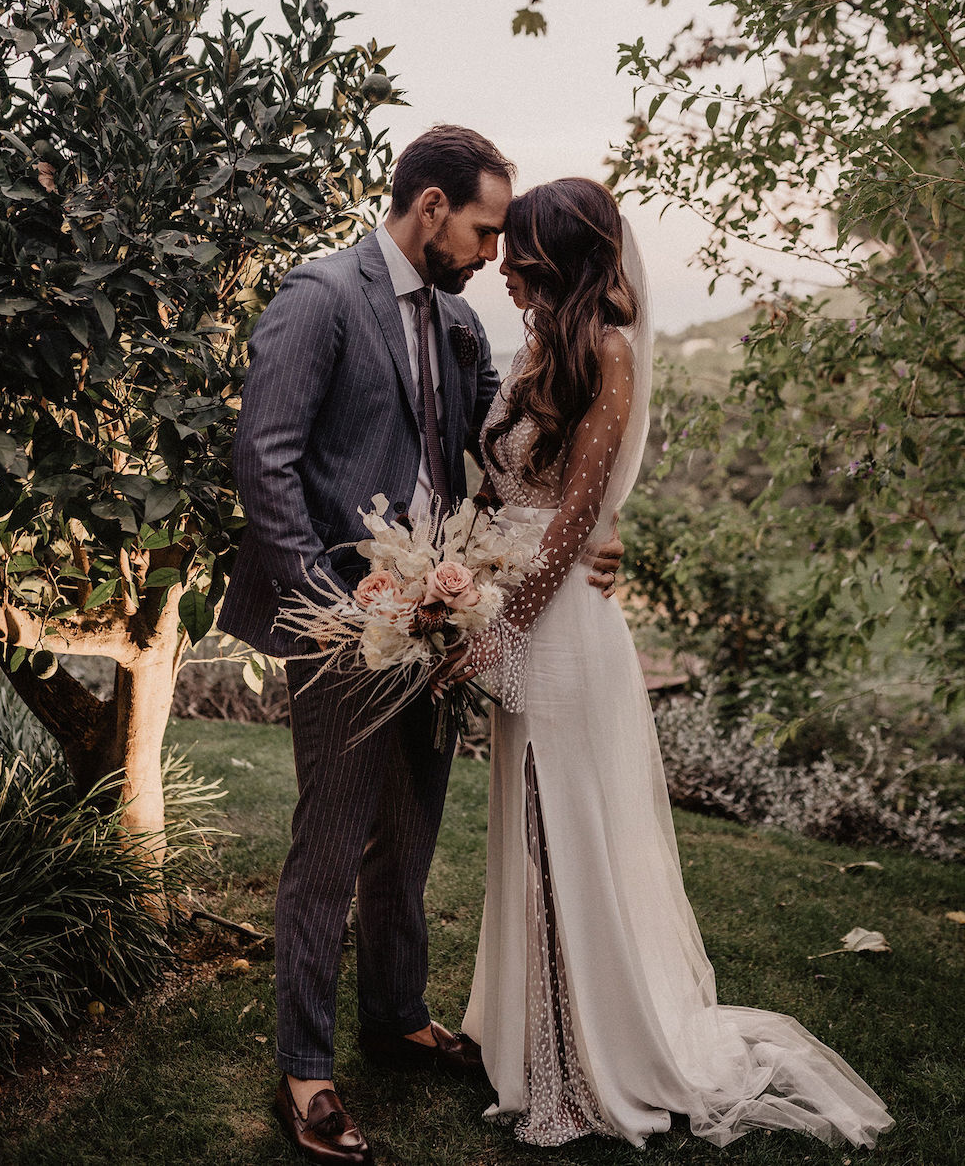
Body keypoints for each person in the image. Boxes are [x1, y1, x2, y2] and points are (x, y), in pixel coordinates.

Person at [459, 178, 895, 1151]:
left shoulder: (605, 350)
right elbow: (507, 490)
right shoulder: (535, 347)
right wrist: (463, 577)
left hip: (561, 626)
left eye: (517, 247)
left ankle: (580, 1071)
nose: (501, 262)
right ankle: (532, 1045)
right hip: (514, 604)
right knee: (526, 830)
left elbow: (576, 516)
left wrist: (505, 622)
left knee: (562, 833)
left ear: (556, 254)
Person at [219, 129, 623, 1166]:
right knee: (328, 848)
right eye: (486, 228)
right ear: (432, 205)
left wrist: (570, 536)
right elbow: (264, 463)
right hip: (341, 628)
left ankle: (396, 1014)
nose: (496, 253)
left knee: (409, 835)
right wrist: (339, 608)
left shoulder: (454, 320)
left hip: (441, 618)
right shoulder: (319, 296)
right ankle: (305, 1065)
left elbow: (491, 456)